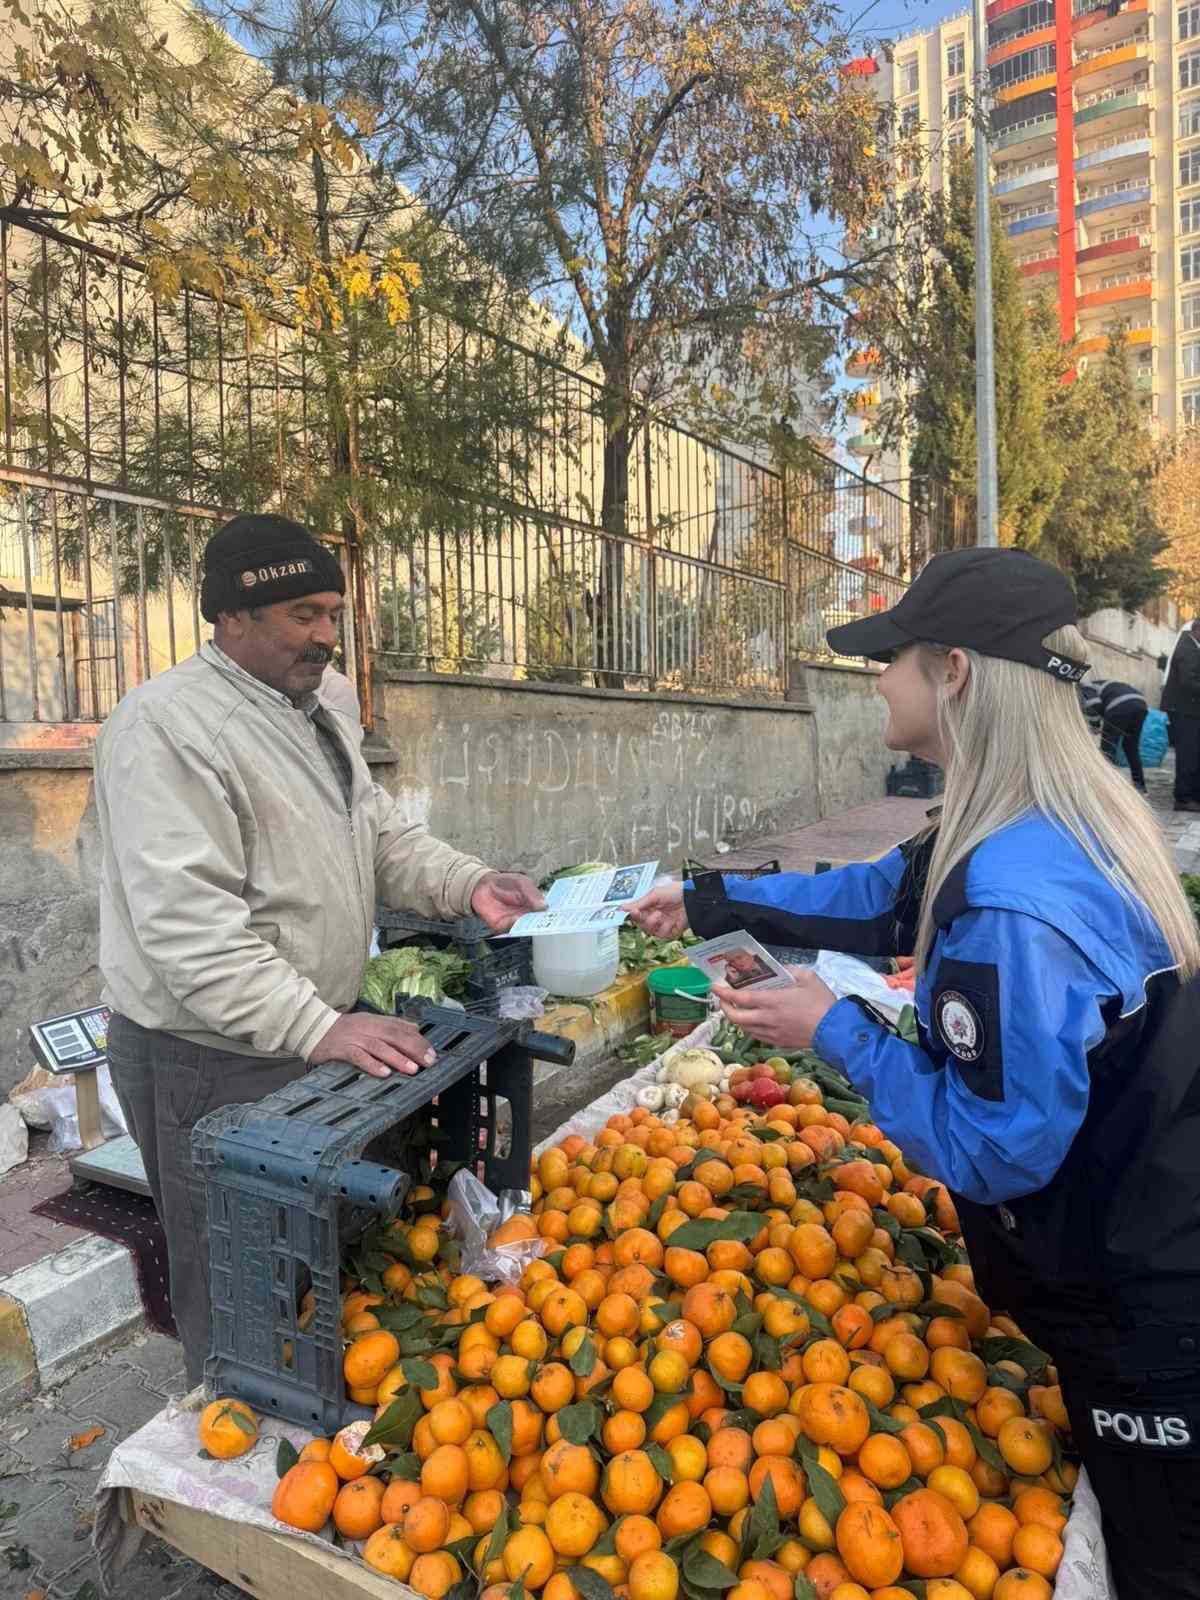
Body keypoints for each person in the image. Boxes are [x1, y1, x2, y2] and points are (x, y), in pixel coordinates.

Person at [629, 548, 1200, 1599]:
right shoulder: (1032, 825)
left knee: (1166, 1561)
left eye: (889, 658)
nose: (875, 680)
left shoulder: (1012, 908)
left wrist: (837, 1030)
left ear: (955, 671)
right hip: (1132, 1259)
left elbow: (993, 1148)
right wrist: (708, 900)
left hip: (1150, 1307)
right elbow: (883, 892)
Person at [95, 514, 545, 1382]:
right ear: (230, 617)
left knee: (317, 1265)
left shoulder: (315, 713)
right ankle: (224, 1452)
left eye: (333, 614)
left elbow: (377, 837)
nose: (326, 637)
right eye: (303, 613)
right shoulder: (167, 730)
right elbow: (189, 929)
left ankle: (309, 1420)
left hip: (303, 1038)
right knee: (236, 1281)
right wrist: (317, 1023)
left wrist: (468, 885)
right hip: (209, 1057)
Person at [1082, 676, 1149, 792]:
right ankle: (1140, 786)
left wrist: (1094, 725)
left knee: (1107, 749)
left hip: (1119, 704)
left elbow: (1093, 704)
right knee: (1131, 747)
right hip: (1140, 704)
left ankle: (1106, 788)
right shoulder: (1102, 685)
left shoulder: (1085, 687)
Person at [1163, 619, 1200, 814]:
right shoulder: (1188, 648)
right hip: (1184, 710)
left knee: (1194, 753)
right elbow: (1189, 682)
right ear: (1196, 630)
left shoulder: (1193, 646)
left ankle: (1192, 795)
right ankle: (1184, 798)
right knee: (1188, 754)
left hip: (1190, 710)